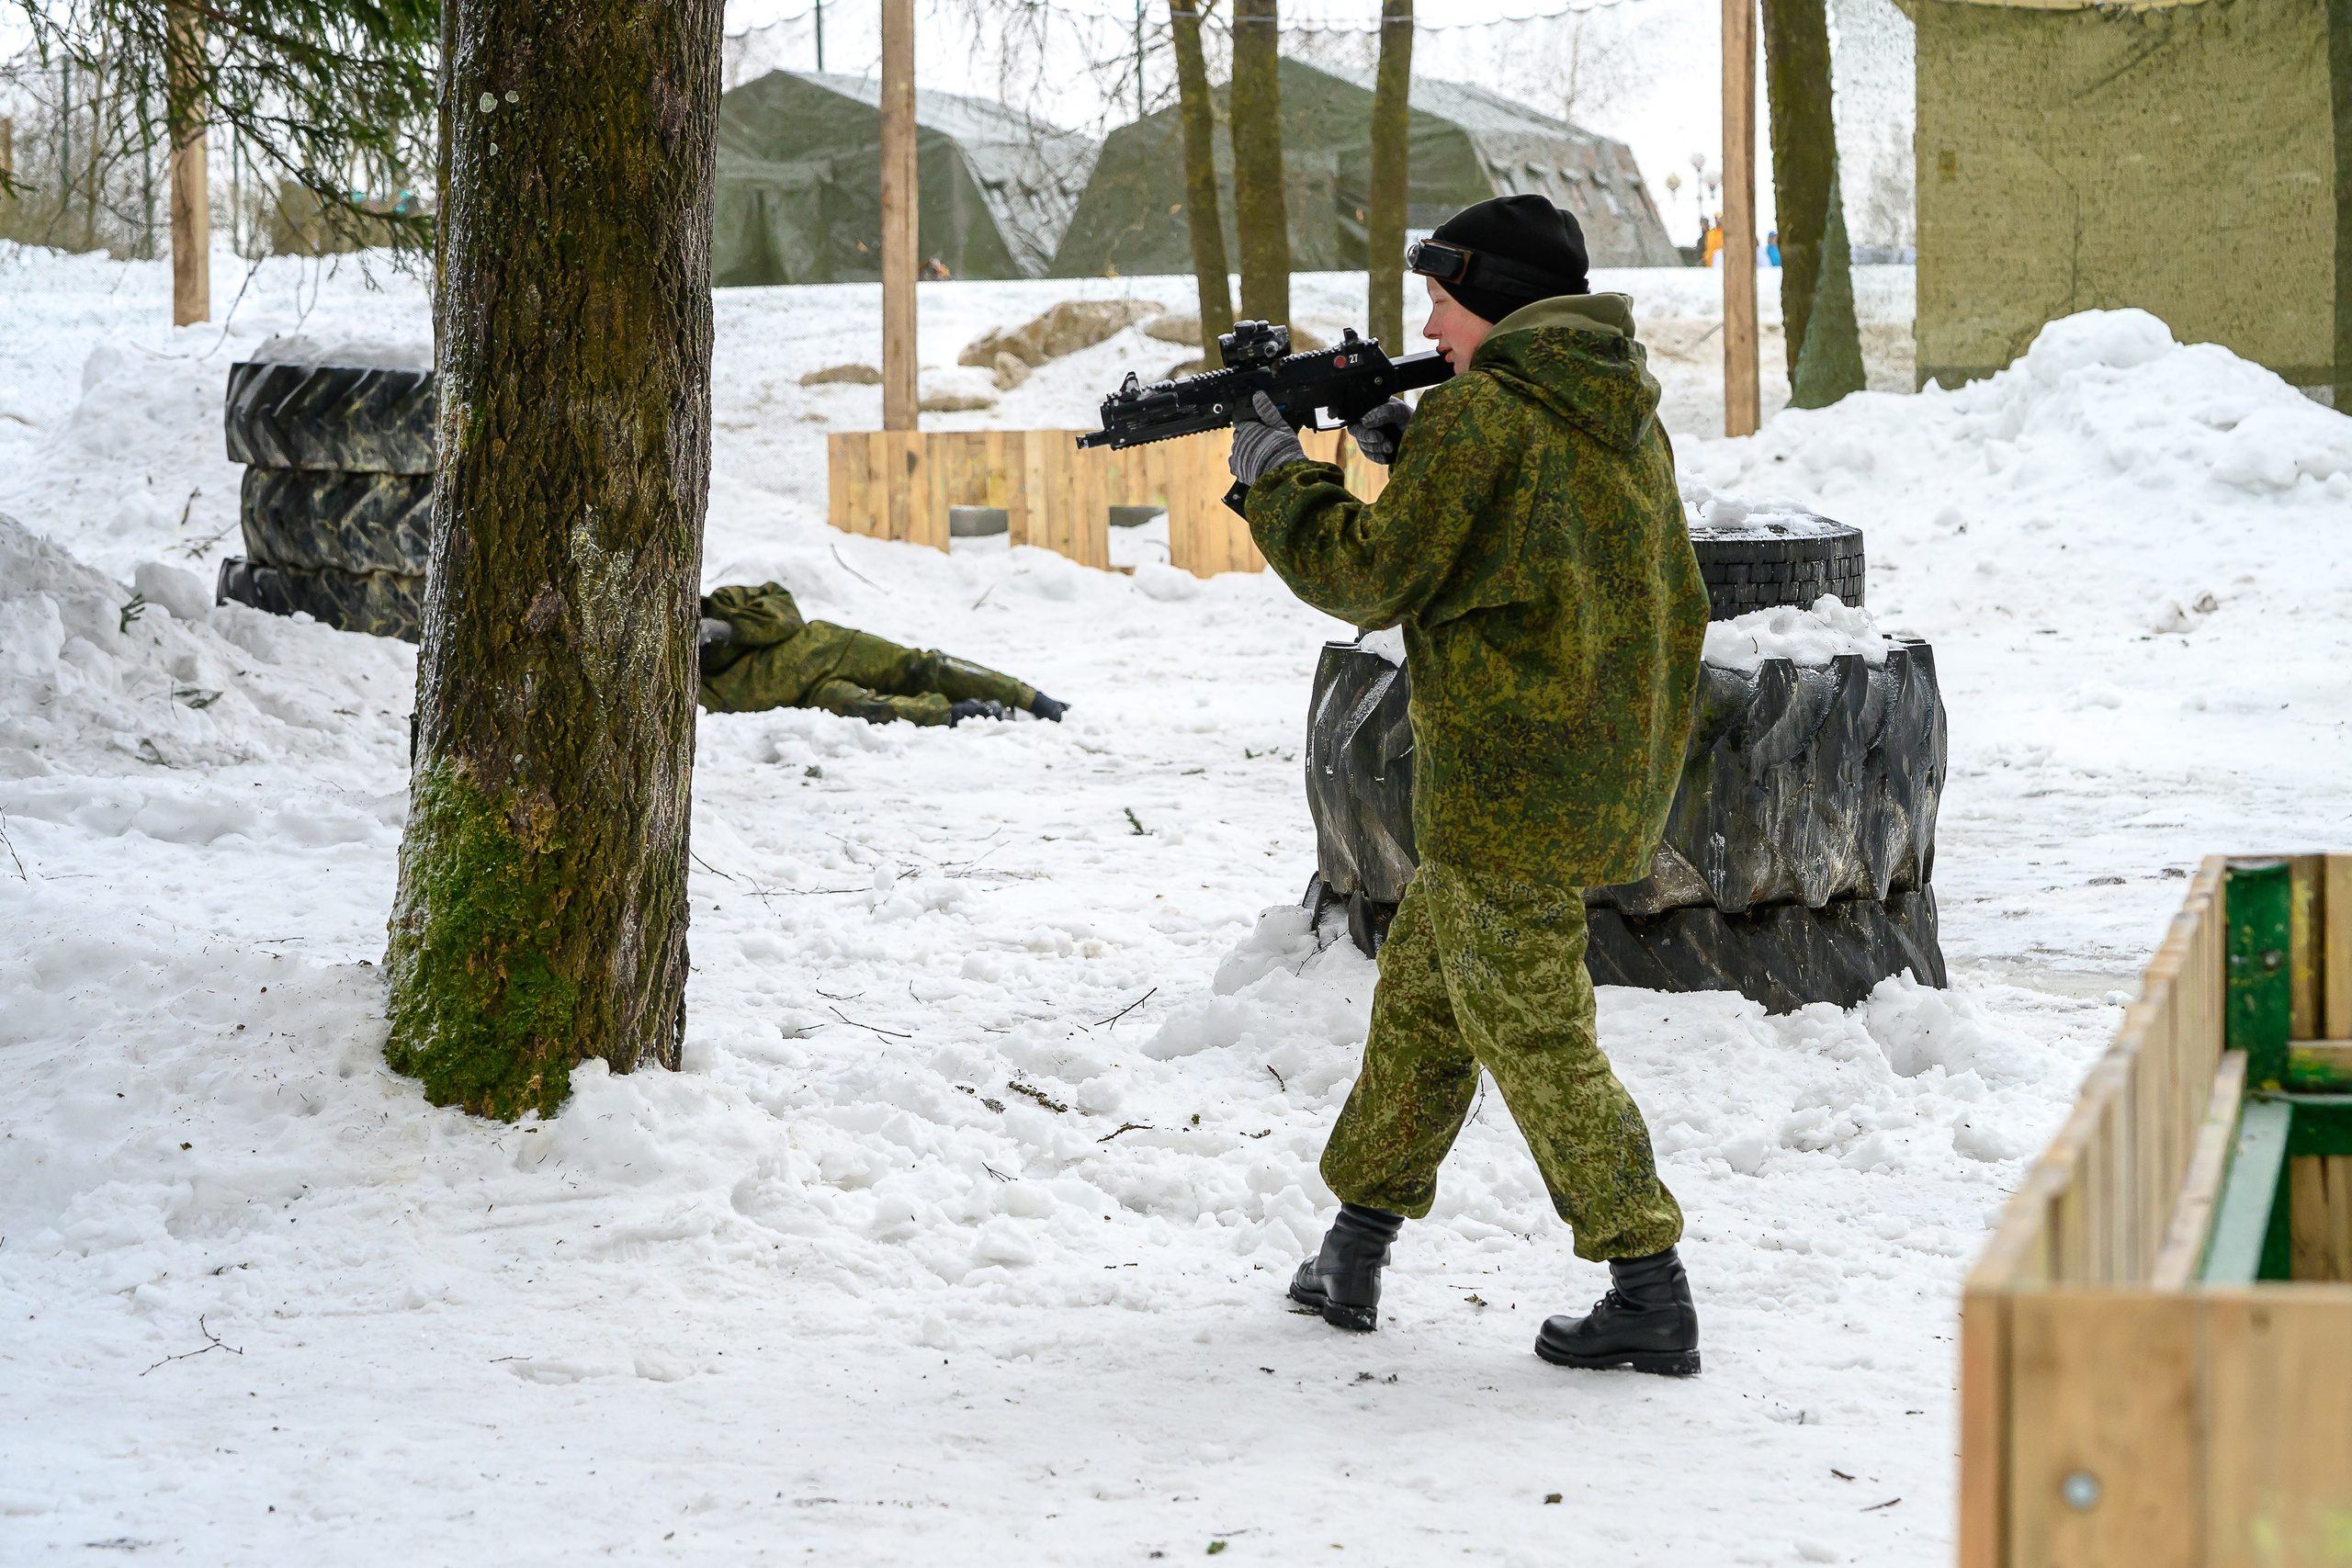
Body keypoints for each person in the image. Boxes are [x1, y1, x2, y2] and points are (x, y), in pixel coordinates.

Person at [1225, 193, 1709, 1375]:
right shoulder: (1607, 405)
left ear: (1492, 300)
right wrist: (1407, 444)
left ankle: (1648, 1285)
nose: (1431, 330)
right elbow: (1549, 540)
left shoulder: (1489, 418)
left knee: (1535, 1035)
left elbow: (1373, 573)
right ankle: (1355, 1244)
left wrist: (1278, 478)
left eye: (1442, 303)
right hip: (1593, 768)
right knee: (1425, 1013)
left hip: (1507, 785)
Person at [697, 582, 1067, 728]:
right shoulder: (692, 686)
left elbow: (787, 612)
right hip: (811, 694)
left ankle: (1031, 698)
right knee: (869, 709)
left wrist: (726, 630)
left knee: (924, 667)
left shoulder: (725, 602)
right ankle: (962, 712)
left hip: (831, 645)